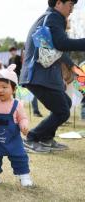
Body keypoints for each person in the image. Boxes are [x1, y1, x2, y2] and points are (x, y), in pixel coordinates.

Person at [20, 0, 84, 153]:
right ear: (58, 3)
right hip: (37, 75)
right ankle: (31, 138)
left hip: (40, 75)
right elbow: (61, 43)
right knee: (62, 111)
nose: (72, 9)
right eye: (70, 4)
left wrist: (70, 67)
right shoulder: (54, 17)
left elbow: (55, 48)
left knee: (65, 103)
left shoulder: (49, 17)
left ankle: (46, 138)